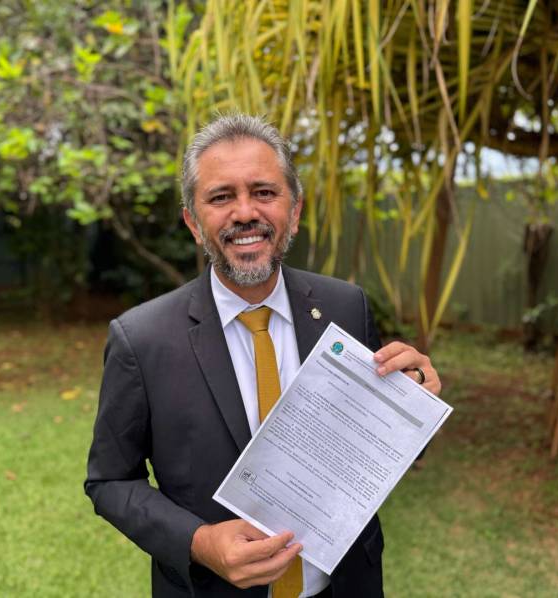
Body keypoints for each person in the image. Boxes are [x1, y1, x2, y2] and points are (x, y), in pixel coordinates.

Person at [85, 114, 441, 598]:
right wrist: (199, 542)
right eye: (221, 197)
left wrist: (415, 404)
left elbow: (375, 444)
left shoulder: (345, 306)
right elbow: (109, 481)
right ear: (193, 222)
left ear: (294, 211)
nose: (245, 212)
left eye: (264, 192)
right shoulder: (141, 339)